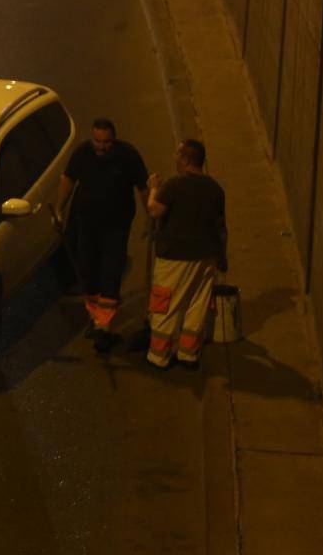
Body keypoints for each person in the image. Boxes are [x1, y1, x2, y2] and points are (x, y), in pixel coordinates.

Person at [54, 118, 150, 350]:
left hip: (116, 224)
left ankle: (103, 325)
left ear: (114, 140)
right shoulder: (83, 153)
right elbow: (68, 179)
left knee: (111, 269)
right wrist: (59, 208)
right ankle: (96, 317)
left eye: (106, 142)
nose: (101, 147)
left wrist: (151, 217)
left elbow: (143, 187)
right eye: (97, 141)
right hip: (86, 222)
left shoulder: (128, 156)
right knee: (86, 267)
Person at [144, 139, 227, 369]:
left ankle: (158, 356)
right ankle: (188, 354)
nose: (175, 159)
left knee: (165, 302)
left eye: (177, 156)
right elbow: (220, 228)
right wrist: (222, 256)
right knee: (197, 303)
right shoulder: (215, 189)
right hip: (205, 256)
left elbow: (154, 210)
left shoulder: (174, 185)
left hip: (174, 256)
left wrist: (153, 189)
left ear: (187, 160)